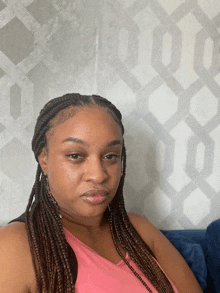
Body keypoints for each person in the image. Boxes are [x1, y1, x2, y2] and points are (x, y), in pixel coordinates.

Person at [0, 93, 202, 293]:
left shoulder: (138, 229)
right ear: (44, 158)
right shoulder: (15, 244)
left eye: (110, 156)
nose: (98, 175)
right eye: (75, 155)